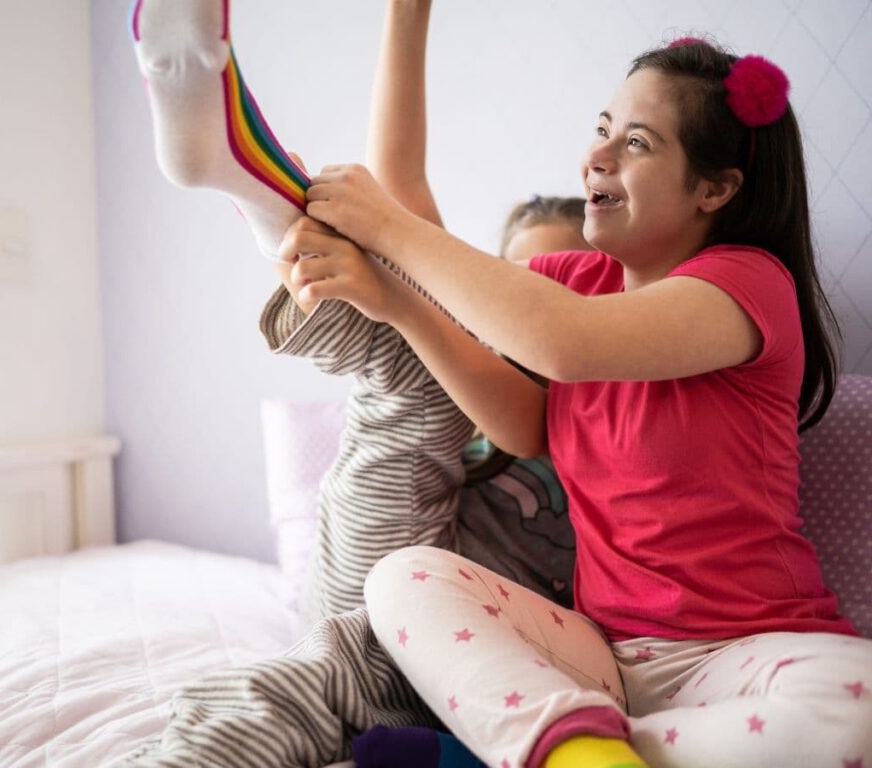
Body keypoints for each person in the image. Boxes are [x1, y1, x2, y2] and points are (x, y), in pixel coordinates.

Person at [126, 2, 872, 767]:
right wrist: (396, 295)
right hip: (603, 660)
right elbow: (517, 412)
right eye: (603, 128)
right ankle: (238, 171)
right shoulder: (573, 279)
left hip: (742, 652)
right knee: (404, 578)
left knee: (859, 705)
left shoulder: (749, 283)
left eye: (636, 142)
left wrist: (388, 231)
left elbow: (560, 340)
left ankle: (561, 751)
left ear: (714, 189)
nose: (598, 154)